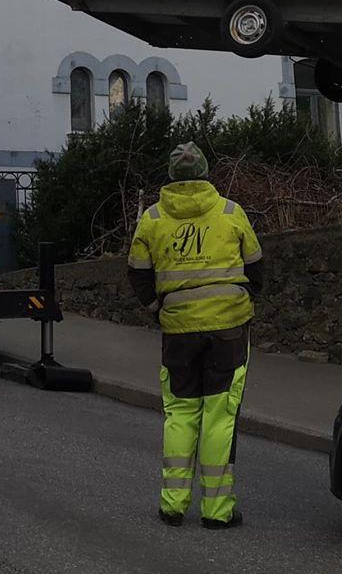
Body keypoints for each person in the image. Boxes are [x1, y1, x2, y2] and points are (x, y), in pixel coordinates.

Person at [127, 142, 265, 529]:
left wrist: (158, 309)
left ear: (172, 177)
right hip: (229, 330)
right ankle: (217, 511)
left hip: (179, 331)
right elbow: (257, 269)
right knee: (220, 418)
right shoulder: (230, 212)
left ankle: (173, 505)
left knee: (180, 414)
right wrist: (240, 300)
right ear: (205, 174)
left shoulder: (153, 218)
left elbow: (137, 272)